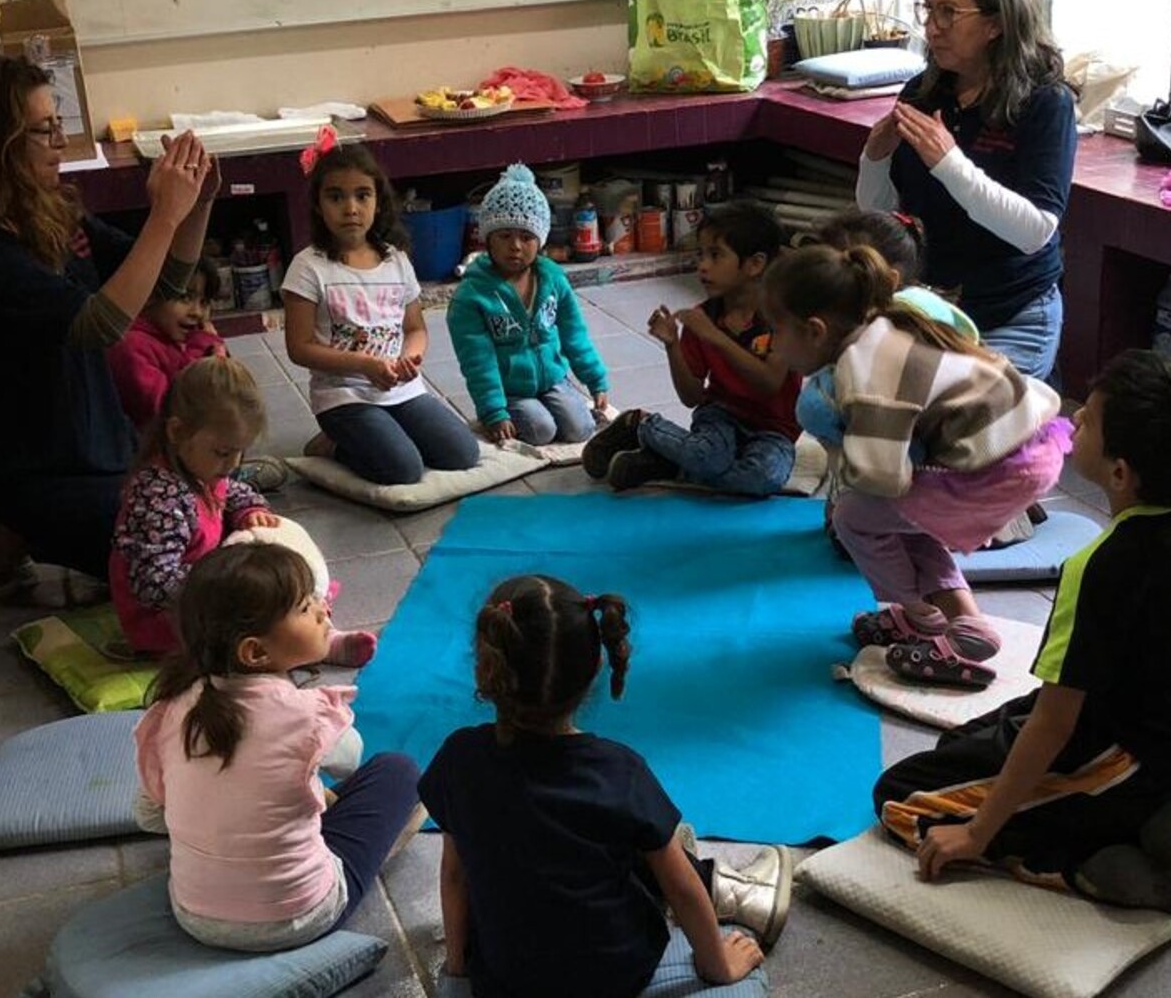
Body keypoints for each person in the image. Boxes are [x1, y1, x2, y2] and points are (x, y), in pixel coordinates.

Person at [874, 350, 1171, 915]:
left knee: (901, 799)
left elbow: (1055, 723)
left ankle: (1097, 864)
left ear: (1122, 472)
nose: (1074, 421)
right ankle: (1163, 810)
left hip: (1124, 760)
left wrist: (975, 835)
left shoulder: (1101, 568)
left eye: (1090, 419)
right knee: (958, 746)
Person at [0, 53, 217, 594]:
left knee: (209, 516)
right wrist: (163, 215)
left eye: (59, 125)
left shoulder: (49, 206)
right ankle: (6, 524)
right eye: (43, 130)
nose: (61, 141)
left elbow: (161, 291)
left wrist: (196, 206)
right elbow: (98, 325)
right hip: (36, 468)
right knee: (170, 556)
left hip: (100, 442)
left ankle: (21, 533)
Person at [419, 575, 792, 998]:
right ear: (597, 666)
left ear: (486, 664)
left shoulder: (459, 758)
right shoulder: (618, 771)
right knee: (661, 856)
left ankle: (692, 864)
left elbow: (454, 874)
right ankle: (731, 890)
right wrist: (719, 967)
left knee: (612, 839)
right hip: (616, 977)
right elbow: (682, 890)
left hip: (506, 979)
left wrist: (457, 974)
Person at [763, 245, 1069, 683]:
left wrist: (839, 447)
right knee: (907, 518)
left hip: (996, 466)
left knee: (854, 517)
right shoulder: (887, 322)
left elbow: (883, 475)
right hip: (1029, 446)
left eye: (776, 331)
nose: (774, 344)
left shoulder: (863, 371)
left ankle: (919, 615)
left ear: (814, 330)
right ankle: (964, 624)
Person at [134, 543, 423, 952]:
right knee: (398, 771)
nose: (324, 610)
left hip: (193, 914)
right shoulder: (307, 715)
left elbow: (148, 815)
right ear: (255, 651)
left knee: (285, 787)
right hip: (297, 918)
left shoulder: (172, 709)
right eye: (306, 608)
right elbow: (351, 759)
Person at [855, 0, 1077, 381]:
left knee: (968, 427)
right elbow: (882, 214)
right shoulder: (924, 91)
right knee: (873, 403)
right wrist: (874, 160)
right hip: (930, 305)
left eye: (948, 13)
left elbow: (1035, 231)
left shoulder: (1045, 103)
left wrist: (950, 164)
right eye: (928, 9)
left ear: (996, 23)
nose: (932, 28)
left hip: (1012, 312)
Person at [109, 356, 376, 667]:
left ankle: (312, 630)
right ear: (177, 431)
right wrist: (232, 585)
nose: (233, 464)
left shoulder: (202, 469)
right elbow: (153, 584)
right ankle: (323, 645)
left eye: (241, 452)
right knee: (268, 610)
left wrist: (249, 509)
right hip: (171, 619)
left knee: (284, 587)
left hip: (209, 589)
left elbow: (232, 490)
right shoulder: (157, 496)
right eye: (223, 452)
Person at [281, 143, 479, 485]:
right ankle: (332, 445)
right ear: (318, 204)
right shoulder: (308, 267)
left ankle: (385, 432)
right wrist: (365, 365)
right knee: (403, 469)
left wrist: (408, 360)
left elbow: (415, 328)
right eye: (336, 197)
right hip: (343, 396)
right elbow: (299, 348)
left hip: (401, 389)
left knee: (461, 453)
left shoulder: (395, 259)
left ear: (378, 201)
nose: (351, 208)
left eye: (362, 195)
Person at [581, 202, 800, 495]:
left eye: (715, 255)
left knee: (761, 478)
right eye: (701, 254)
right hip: (721, 415)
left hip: (774, 430)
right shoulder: (703, 317)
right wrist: (673, 345)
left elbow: (770, 383)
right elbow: (692, 397)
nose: (703, 265)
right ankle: (641, 424)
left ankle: (668, 463)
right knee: (706, 456)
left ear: (755, 264)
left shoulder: (781, 316)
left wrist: (715, 337)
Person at [446, 164, 610, 445]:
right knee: (540, 430)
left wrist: (595, 379)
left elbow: (574, 334)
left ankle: (556, 398)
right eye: (505, 236)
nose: (516, 246)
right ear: (488, 239)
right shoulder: (471, 296)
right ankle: (508, 410)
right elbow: (477, 361)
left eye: (526, 237)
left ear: (541, 240)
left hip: (552, 378)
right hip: (510, 389)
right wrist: (493, 410)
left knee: (580, 429)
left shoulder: (553, 278)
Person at [107, 253, 227, 433]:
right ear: (149, 294)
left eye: (204, 302)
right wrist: (201, 349)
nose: (197, 312)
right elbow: (176, 409)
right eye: (185, 298)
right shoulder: (130, 347)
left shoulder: (172, 337)